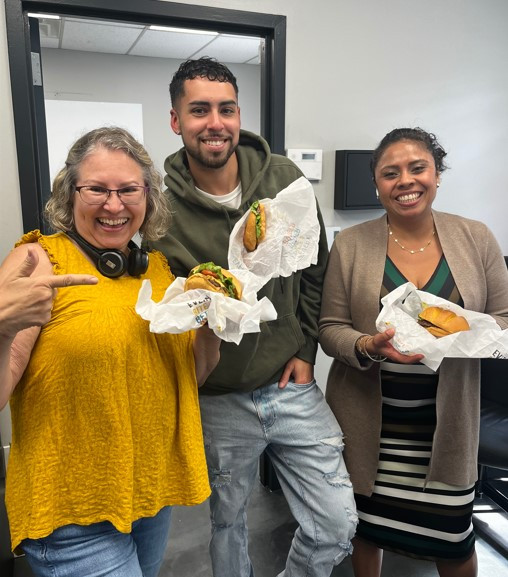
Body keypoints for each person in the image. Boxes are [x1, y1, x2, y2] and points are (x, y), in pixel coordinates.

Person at [146, 57, 357, 577]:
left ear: (239, 114)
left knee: (336, 524)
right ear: (176, 121)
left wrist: (306, 351)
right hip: (218, 398)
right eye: (198, 110)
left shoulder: (283, 178)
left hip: (289, 386)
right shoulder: (158, 206)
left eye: (226, 108)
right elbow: (165, 306)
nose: (214, 122)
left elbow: (316, 270)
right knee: (227, 524)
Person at [0, 126, 221, 577]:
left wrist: (216, 323)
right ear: (70, 193)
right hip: (72, 507)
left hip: (149, 493)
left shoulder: (157, 271)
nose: (114, 205)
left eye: (128, 190)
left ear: (148, 197)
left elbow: (188, 378)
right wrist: (2, 326)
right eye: (97, 189)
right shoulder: (38, 262)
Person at [319, 127, 508, 577]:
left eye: (417, 167)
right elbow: (329, 329)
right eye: (390, 173)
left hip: (447, 426)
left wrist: (461, 336)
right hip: (371, 427)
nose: (405, 180)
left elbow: (504, 317)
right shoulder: (350, 244)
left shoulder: (475, 237)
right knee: (368, 534)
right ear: (378, 184)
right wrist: (368, 345)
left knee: (453, 542)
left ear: (437, 174)